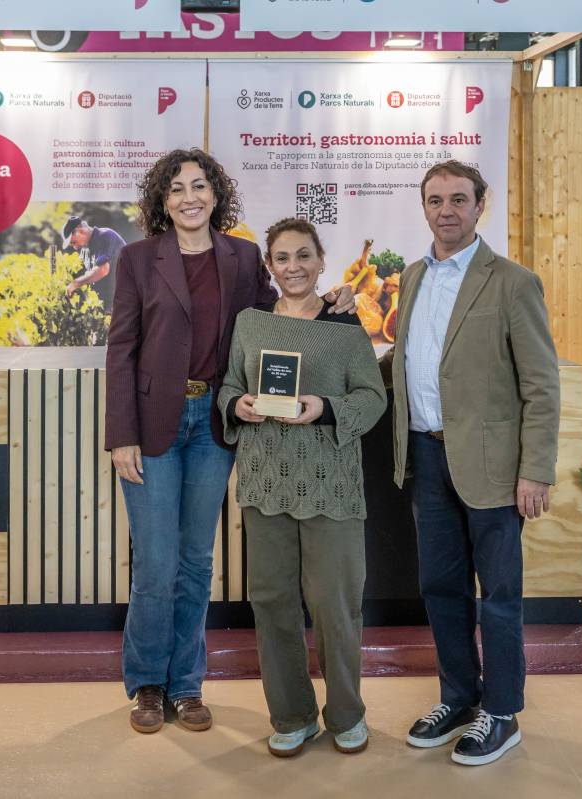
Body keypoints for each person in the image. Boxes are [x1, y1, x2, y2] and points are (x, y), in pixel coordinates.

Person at [104, 148, 354, 735]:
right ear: (162, 201)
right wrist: (121, 436)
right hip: (153, 424)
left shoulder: (241, 257)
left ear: (216, 195)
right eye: (176, 189)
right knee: (157, 562)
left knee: (195, 561)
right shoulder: (140, 260)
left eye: (199, 186)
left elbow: (279, 312)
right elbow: (121, 350)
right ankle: (147, 684)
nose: (189, 197)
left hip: (214, 423)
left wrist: (333, 301)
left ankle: (187, 687)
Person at [382, 161, 560, 766]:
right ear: (424, 208)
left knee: (500, 595)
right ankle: (459, 697)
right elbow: (408, 365)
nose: (447, 210)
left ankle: (502, 711)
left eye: (459, 199)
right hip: (426, 457)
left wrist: (534, 468)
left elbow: (541, 384)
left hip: (493, 466)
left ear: (480, 206)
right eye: (435, 200)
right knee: (440, 588)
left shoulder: (511, 282)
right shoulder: (410, 279)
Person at [218, 218, 386, 758]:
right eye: (283, 258)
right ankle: (290, 714)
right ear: (271, 266)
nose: (293, 267)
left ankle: (346, 713)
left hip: (331, 484)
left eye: (303, 257)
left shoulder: (345, 325)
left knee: (335, 604)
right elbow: (230, 385)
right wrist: (236, 405)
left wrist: (325, 408)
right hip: (264, 482)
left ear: (320, 262)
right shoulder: (249, 323)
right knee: (271, 603)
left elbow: (372, 397)